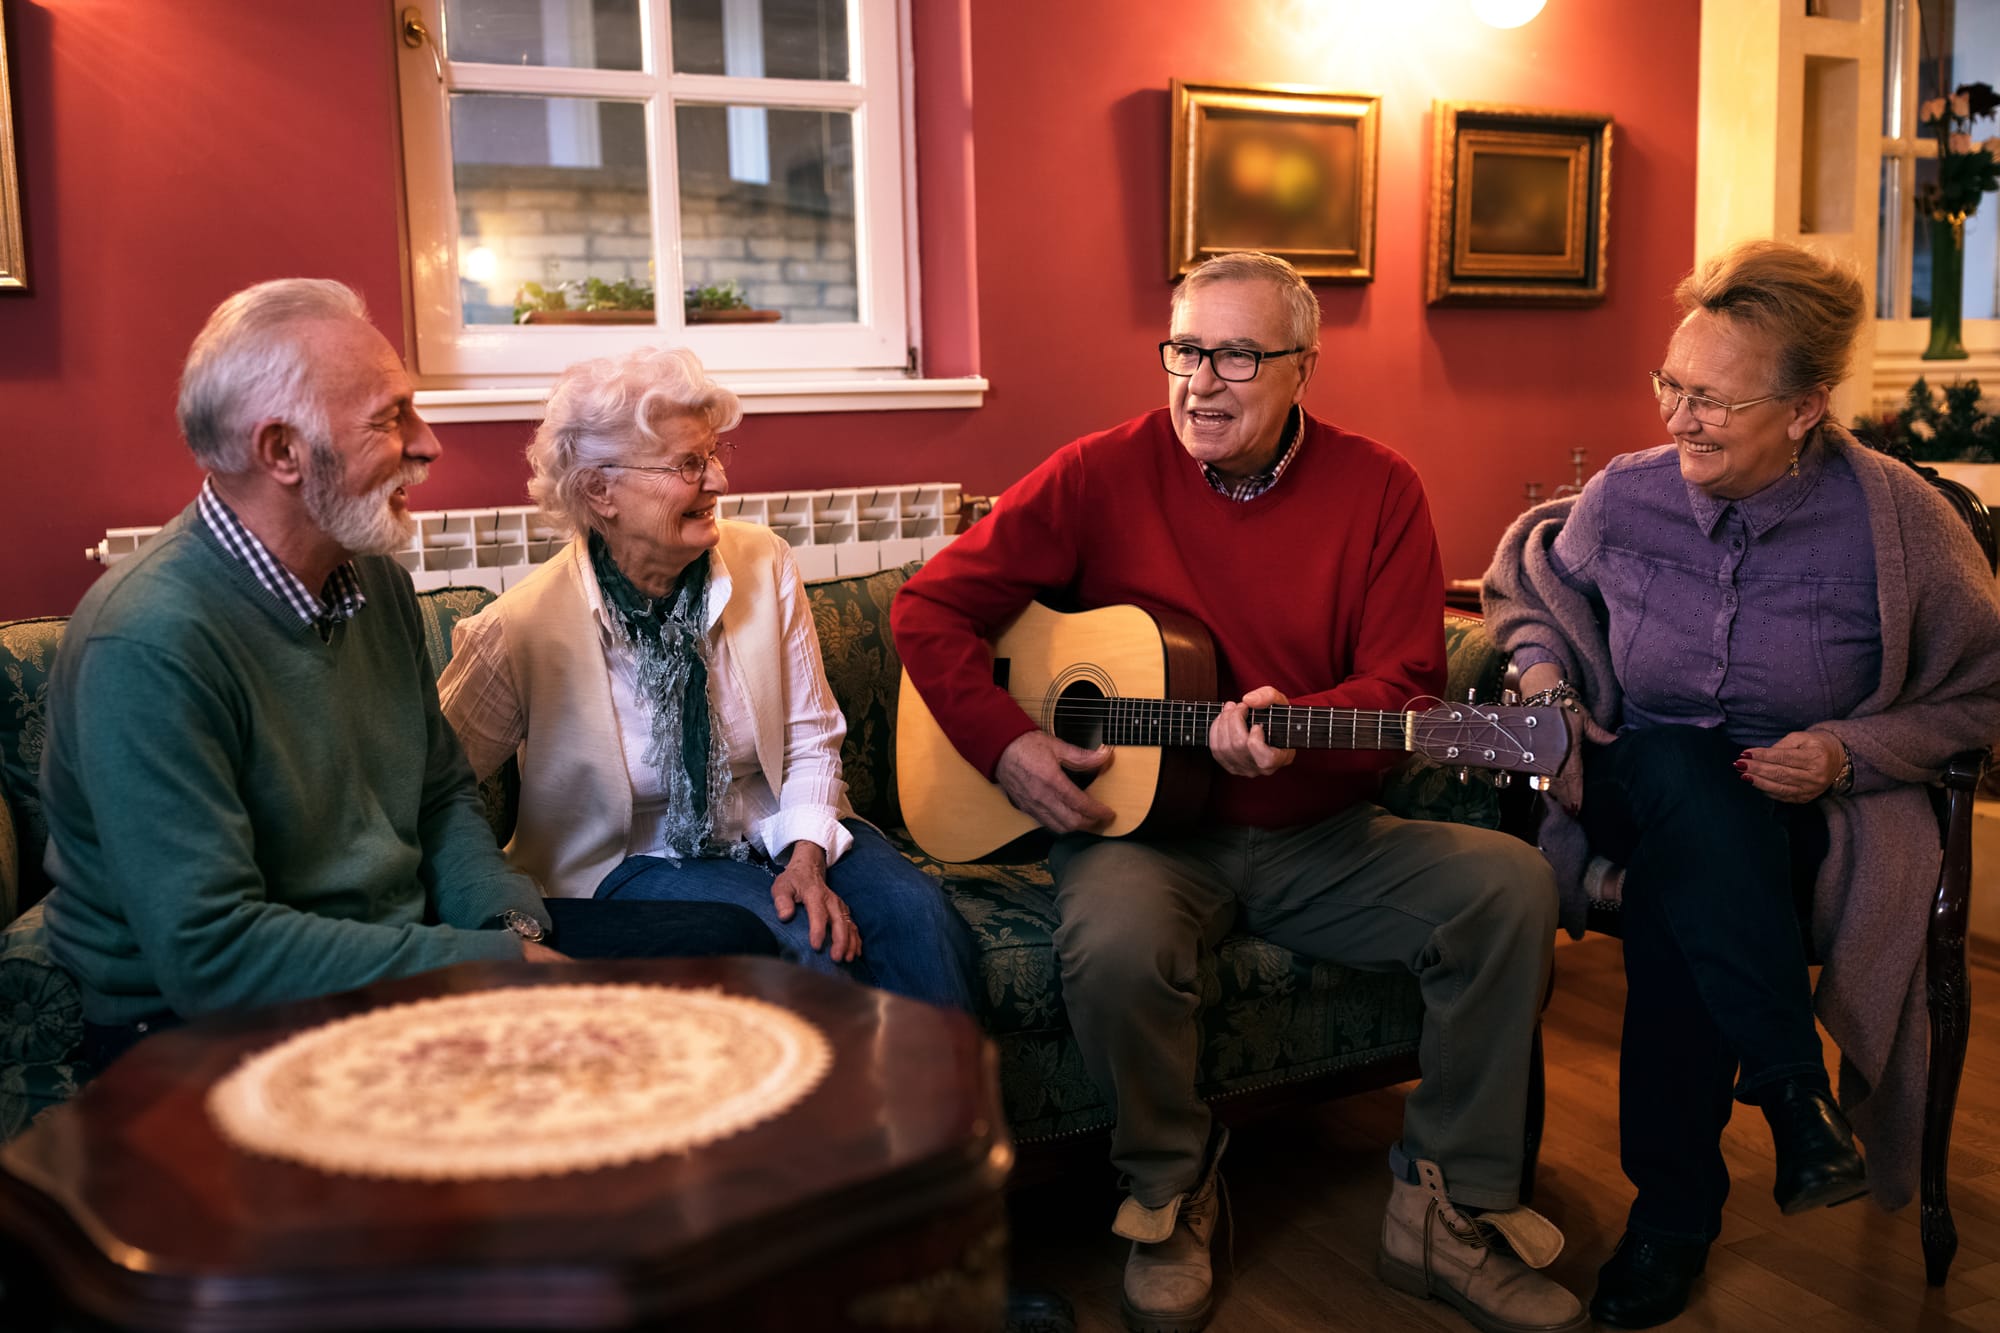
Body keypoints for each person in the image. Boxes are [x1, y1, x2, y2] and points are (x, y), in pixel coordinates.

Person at [893, 251, 1581, 1333]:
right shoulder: (1095, 472)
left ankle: (1450, 1207)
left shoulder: (1379, 488)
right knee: (1113, 942)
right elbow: (927, 609)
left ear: (1302, 367)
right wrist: (1009, 747)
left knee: (1507, 887)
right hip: (1142, 841)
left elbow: (1402, 687)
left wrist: (1291, 737)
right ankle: (1169, 1186)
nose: (1199, 382)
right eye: (1184, 350)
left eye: (1236, 356)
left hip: (1321, 832)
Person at [39, 279, 776, 1069]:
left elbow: (438, 793)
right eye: (393, 418)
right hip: (212, 1020)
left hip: (405, 941)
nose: (428, 444)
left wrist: (502, 927)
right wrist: (488, 972)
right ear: (282, 450)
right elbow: (213, 955)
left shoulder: (371, 584)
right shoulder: (148, 640)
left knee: (726, 947)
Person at [1483, 239, 2000, 1329]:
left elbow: (1981, 693)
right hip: (1632, 777)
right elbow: (1529, 589)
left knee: (1692, 877)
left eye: (1711, 402)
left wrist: (1847, 754)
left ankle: (1673, 1217)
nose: (1677, 420)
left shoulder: (1897, 522)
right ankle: (1788, 1089)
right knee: (1675, 765)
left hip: (1803, 813)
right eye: (1670, 385)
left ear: (1805, 409)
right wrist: (1540, 679)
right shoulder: (1626, 496)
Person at [436, 345, 976, 1012]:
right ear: (600, 489)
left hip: (781, 828)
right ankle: (854, 1117)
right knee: (804, 945)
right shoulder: (518, 628)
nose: (718, 480)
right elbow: (433, 788)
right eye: (690, 463)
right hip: (635, 863)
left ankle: (959, 1117)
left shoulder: (765, 564)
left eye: (714, 454)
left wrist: (807, 853)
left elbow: (811, 737)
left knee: (922, 919)